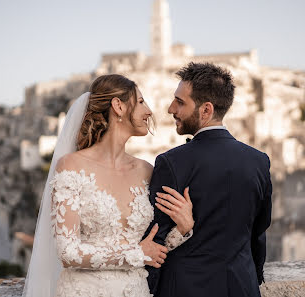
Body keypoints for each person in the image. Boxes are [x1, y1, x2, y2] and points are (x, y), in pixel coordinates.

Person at [22, 74, 195, 297]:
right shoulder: (72, 166)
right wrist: (136, 253)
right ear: (118, 106)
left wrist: (182, 229)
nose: (149, 111)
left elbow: (152, 249)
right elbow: (67, 253)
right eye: (141, 102)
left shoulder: (146, 171)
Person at [144, 62, 272, 297]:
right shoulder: (259, 162)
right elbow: (258, 232)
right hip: (242, 286)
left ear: (206, 110)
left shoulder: (171, 164)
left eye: (180, 102)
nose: (171, 108)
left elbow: (155, 238)